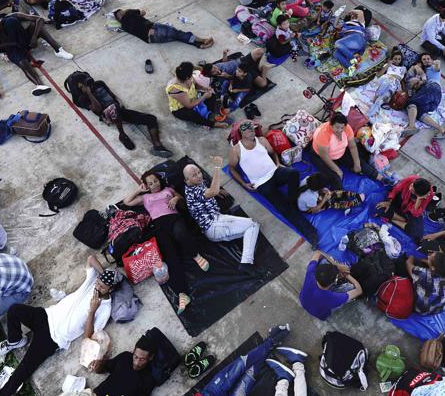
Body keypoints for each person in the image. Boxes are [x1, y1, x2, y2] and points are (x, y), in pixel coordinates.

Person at [0, 258, 117, 396]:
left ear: (110, 289)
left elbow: (88, 338)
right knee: (14, 310)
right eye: (98, 283)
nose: (97, 288)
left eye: (102, 287)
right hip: (47, 315)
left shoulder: (105, 309)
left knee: (24, 368)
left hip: (53, 338)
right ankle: (15, 340)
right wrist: (104, 275)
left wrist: (92, 311)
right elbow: (90, 259)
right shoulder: (93, 282)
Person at [122, 173, 207, 313]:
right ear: (146, 186)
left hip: (174, 218)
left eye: (155, 181)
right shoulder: (145, 197)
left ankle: (195, 255)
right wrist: (139, 190)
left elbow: (181, 197)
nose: (154, 184)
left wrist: (175, 198)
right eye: (150, 183)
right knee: (170, 256)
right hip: (159, 225)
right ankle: (182, 293)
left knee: (181, 234)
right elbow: (127, 202)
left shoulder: (168, 189)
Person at [228, 121, 319, 245]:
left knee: (294, 173)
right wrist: (244, 184)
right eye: (249, 131)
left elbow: (272, 153)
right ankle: (311, 234)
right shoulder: (236, 150)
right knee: (284, 209)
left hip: (274, 172)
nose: (252, 132)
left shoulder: (262, 140)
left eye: (253, 130)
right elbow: (232, 168)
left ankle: (292, 200)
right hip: (261, 183)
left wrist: (277, 163)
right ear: (242, 133)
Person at [67, 73, 172, 156]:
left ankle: (157, 146)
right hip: (107, 115)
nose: (89, 83)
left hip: (118, 110)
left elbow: (112, 95)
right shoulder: (83, 98)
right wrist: (89, 93)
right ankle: (122, 135)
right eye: (85, 83)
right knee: (113, 108)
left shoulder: (99, 83)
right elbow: (98, 110)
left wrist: (119, 102)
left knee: (151, 119)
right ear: (80, 87)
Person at [183, 163, 260, 271]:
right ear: (187, 180)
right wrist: (217, 168)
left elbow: (210, 192)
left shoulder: (196, 184)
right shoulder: (193, 191)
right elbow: (210, 191)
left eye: (199, 172)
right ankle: (246, 262)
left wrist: (215, 192)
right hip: (213, 226)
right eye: (194, 175)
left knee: (252, 228)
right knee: (252, 225)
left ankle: (246, 263)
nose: (199, 176)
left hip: (217, 223)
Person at [0, 13, 73, 95]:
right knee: (23, 62)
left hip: (23, 39)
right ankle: (39, 85)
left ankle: (58, 50)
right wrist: (12, 44)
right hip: (12, 46)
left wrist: (34, 37)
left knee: (37, 26)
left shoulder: (16, 15)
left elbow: (40, 19)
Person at [197, 324, 295, 396]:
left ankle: (270, 342)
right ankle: (271, 341)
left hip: (208, 395)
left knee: (240, 364)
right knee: (248, 376)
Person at [306, 112, 376, 189]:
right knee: (336, 178)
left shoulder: (347, 128)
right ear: (331, 125)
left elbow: (352, 146)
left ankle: (382, 178)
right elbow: (325, 156)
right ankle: (338, 198)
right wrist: (338, 170)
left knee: (360, 163)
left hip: (339, 152)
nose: (339, 130)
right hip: (320, 156)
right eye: (337, 127)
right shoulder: (323, 134)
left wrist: (357, 163)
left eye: (342, 127)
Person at [299, 250, 361, 320]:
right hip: (320, 314)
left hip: (303, 301)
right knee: (350, 287)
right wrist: (346, 274)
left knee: (324, 261)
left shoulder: (310, 273)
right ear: (333, 282)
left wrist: (336, 266)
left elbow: (318, 252)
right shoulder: (333, 298)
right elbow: (359, 290)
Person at [91, 334, 157, 396]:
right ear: (133, 352)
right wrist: (98, 366)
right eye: (135, 357)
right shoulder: (125, 357)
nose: (136, 363)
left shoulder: (148, 380)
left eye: (142, 359)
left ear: (151, 357)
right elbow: (104, 368)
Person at [114, 9, 215, 49]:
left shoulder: (124, 27)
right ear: (122, 13)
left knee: (178, 37)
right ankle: (202, 40)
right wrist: (129, 10)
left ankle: (200, 45)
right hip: (154, 30)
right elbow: (143, 12)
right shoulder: (129, 13)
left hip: (151, 40)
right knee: (179, 34)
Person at [376, 176, 436, 242]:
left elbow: (416, 213)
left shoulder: (428, 195)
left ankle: (393, 219)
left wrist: (419, 199)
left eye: (413, 191)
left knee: (418, 235)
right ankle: (403, 219)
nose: (410, 188)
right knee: (380, 208)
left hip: (409, 211)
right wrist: (388, 201)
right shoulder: (411, 179)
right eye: (411, 185)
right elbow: (396, 189)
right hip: (399, 202)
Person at [406, 250, 445, 315]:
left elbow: (408, 264)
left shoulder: (423, 274)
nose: (428, 256)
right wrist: (428, 262)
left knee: (403, 268)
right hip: (438, 309)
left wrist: (411, 256)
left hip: (421, 310)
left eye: (429, 258)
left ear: (433, 268)